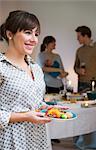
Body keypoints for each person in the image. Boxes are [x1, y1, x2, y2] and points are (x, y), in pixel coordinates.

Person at [0, 10, 52, 150]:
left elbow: (35, 102)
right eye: (28, 32)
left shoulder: (36, 68)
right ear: (10, 34)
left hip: (38, 138)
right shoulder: (1, 68)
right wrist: (25, 116)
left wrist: (48, 108)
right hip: (11, 140)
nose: (34, 40)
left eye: (36, 34)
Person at [73, 26, 96, 149]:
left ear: (85, 35)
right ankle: (81, 141)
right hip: (82, 85)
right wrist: (78, 71)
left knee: (94, 114)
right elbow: (75, 67)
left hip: (95, 85)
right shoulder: (79, 50)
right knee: (82, 113)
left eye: (78, 36)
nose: (77, 39)